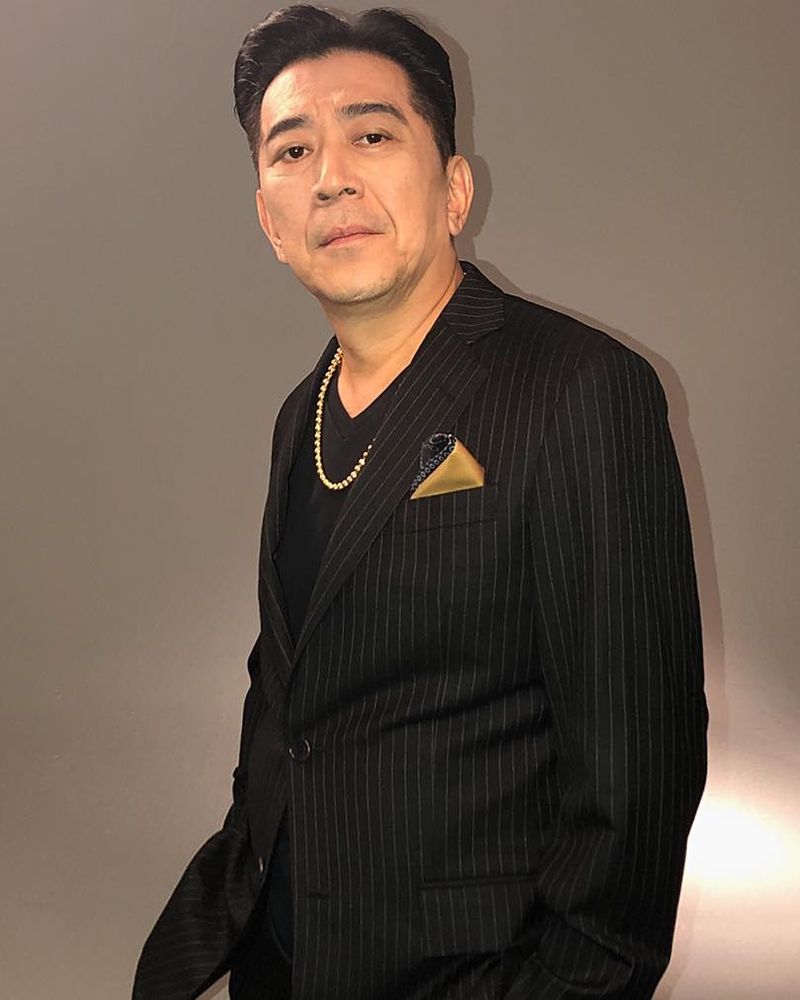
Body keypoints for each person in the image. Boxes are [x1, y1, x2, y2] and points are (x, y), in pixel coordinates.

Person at [133, 6, 708, 999]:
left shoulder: (579, 389)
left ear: (454, 190)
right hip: (281, 957)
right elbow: (287, 692)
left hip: (466, 973)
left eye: (371, 135)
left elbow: (637, 777)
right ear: (270, 221)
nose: (331, 177)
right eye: (292, 150)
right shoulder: (302, 413)